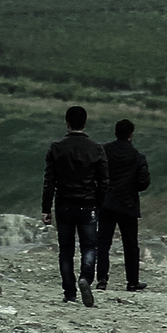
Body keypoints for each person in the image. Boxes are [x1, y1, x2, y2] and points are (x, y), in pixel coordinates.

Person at [41, 105, 108, 307]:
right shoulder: (96, 149)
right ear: (85, 123)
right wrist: (100, 203)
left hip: (64, 204)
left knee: (66, 249)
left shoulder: (56, 147)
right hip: (88, 204)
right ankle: (85, 278)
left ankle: (69, 292)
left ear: (67, 123)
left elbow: (49, 181)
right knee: (89, 246)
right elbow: (104, 181)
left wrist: (46, 208)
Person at [95, 118, 151, 293]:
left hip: (107, 203)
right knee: (130, 244)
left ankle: (102, 279)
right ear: (131, 135)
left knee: (103, 242)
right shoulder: (137, 156)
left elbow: (95, 175)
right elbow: (143, 183)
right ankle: (132, 281)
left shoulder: (104, 151)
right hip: (128, 205)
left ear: (115, 132)